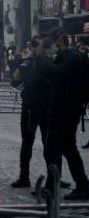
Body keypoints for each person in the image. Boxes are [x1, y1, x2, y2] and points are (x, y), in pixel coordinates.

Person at [11, 37, 55, 188]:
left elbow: (15, 81)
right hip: (45, 107)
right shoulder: (49, 62)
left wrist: (27, 89)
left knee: (28, 143)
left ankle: (24, 177)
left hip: (30, 107)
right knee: (47, 144)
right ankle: (53, 178)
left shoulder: (26, 63)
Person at [50, 37, 88, 199]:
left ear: (60, 42)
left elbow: (57, 73)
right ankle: (80, 184)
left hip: (70, 108)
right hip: (65, 108)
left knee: (68, 147)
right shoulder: (65, 56)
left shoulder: (72, 57)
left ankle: (83, 185)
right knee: (64, 147)